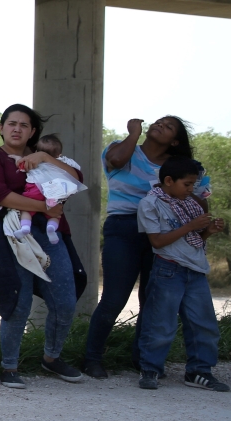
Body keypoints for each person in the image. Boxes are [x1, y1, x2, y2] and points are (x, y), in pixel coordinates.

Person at [0, 105, 86, 389]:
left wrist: (46, 157)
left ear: (33, 131)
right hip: (10, 232)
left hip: (50, 234)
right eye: (11, 123)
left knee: (65, 300)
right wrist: (46, 206)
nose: (17, 129)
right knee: (18, 300)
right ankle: (9, 366)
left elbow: (76, 180)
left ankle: (51, 358)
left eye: (24, 125)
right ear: (1, 128)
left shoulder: (45, 157)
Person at [83, 117, 198, 379]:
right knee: (113, 299)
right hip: (123, 229)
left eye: (168, 127)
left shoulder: (174, 167)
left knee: (151, 301)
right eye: (158, 122)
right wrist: (134, 134)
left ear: (175, 141)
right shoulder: (121, 148)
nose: (159, 125)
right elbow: (117, 162)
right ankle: (92, 358)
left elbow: (192, 197)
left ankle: (143, 359)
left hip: (161, 232)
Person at [135, 157, 228, 392]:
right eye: (187, 184)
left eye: (193, 184)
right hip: (168, 269)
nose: (191, 189)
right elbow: (157, 241)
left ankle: (199, 370)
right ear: (168, 180)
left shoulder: (191, 203)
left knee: (203, 323)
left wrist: (208, 231)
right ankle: (150, 369)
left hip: (195, 269)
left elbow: (194, 240)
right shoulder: (150, 204)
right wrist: (190, 226)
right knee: (161, 323)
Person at [13, 134, 82, 245]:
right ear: (59, 154)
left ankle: (25, 227)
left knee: (26, 210)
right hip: (53, 192)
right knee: (55, 213)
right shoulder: (63, 161)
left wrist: (17, 159)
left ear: (36, 152)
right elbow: (77, 170)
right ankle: (51, 228)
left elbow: (22, 167)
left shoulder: (34, 161)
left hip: (35, 189)